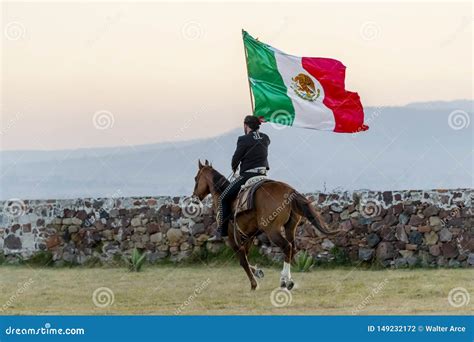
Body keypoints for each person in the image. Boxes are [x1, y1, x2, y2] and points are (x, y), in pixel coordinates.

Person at [208, 115, 270, 242]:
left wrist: (234, 167)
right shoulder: (266, 138)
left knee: (223, 198)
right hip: (263, 175)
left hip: (248, 175)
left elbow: (236, 158)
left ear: (246, 126)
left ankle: (222, 231)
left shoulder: (243, 139)